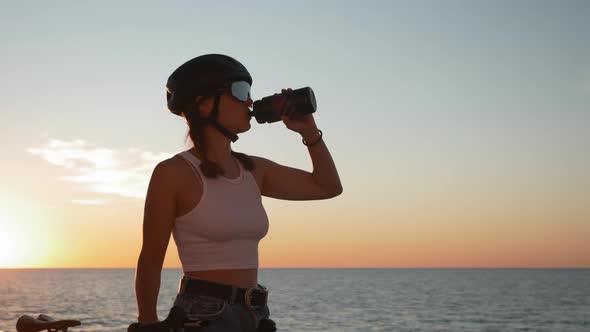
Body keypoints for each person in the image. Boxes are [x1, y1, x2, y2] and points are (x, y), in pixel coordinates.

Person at [133, 54, 343, 331]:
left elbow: (327, 187)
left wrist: (309, 131)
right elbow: (150, 259)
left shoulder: (254, 170)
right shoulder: (173, 173)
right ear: (204, 103)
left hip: (256, 314)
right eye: (240, 91)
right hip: (202, 315)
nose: (250, 102)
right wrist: (147, 321)